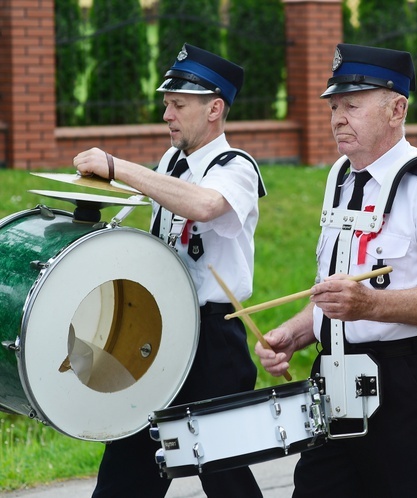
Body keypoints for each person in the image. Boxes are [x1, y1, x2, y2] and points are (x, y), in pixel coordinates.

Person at [253, 43, 417, 497]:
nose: (338, 118)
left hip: (406, 385)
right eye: (334, 106)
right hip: (333, 381)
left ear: (396, 109)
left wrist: (371, 304)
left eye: (353, 106)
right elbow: (337, 292)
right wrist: (299, 330)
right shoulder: (340, 175)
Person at [73, 43, 264, 498]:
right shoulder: (173, 163)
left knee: (223, 473)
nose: (167, 114)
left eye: (178, 105)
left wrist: (118, 168)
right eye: (166, 104)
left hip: (213, 338)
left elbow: (205, 204)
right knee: (128, 465)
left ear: (215, 109)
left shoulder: (235, 167)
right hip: (159, 333)